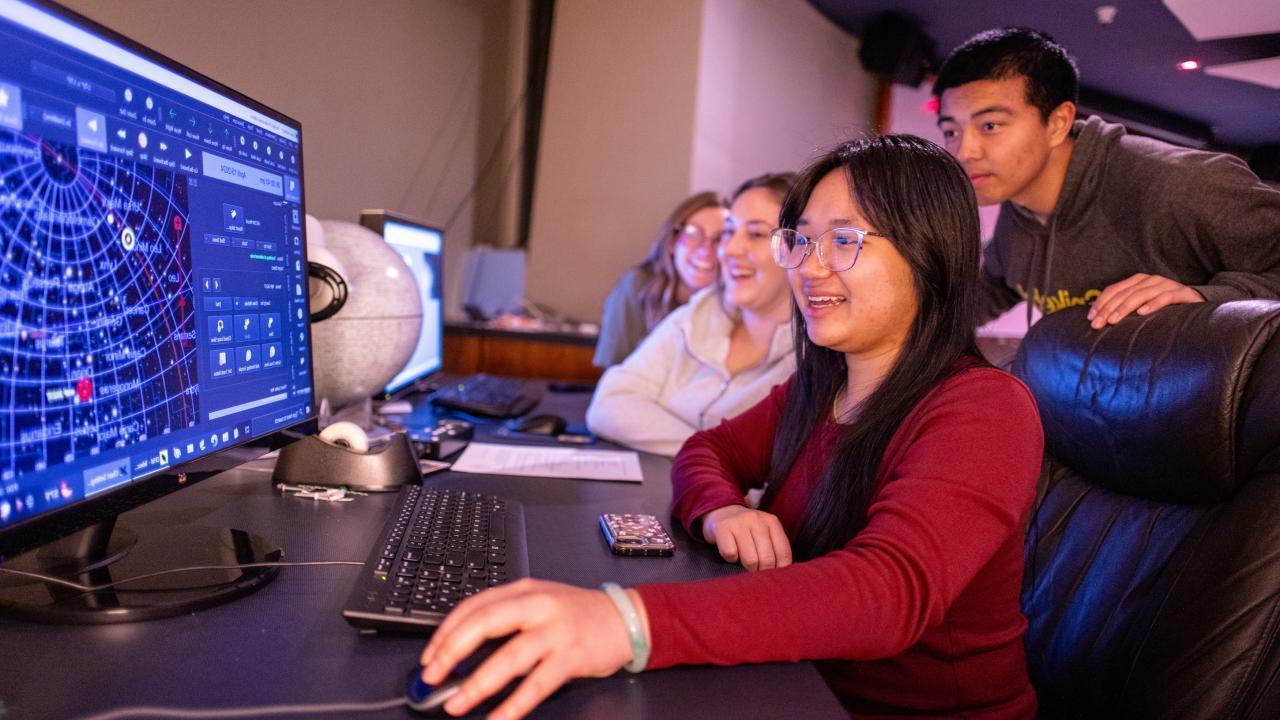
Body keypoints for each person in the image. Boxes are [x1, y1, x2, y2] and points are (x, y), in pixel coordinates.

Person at [417, 136, 1044, 719]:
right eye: (800, 241)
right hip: (795, 682)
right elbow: (707, 449)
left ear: (930, 252)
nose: (810, 267)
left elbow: (886, 592)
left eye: (845, 240)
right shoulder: (820, 388)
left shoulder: (985, 409)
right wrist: (721, 511)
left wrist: (626, 621)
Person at [933, 27, 1280, 331]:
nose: (964, 151)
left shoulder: (1180, 184)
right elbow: (993, 288)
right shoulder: (1017, 214)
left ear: (1057, 123)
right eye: (951, 130)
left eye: (990, 126)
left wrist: (1205, 298)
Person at [584, 173, 797, 456]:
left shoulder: (811, 358)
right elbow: (607, 405)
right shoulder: (696, 317)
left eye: (756, 234)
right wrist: (712, 456)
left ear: (801, 248)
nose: (729, 249)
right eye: (730, 232)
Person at [592, 192, 730, 367]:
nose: (706, 249)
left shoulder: (735, 303)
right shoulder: (638, 287)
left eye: (720, 238)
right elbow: (612, 371)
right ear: (672, 242)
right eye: (693, 233)